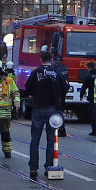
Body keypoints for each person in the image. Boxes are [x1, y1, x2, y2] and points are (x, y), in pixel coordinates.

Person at [24, 50, 67, 180]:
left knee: (35, 139)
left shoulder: (36, 72)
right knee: (51, 140)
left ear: (40, 59)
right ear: (51, 59)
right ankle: (49, 166)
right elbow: (65, 88)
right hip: (52, 109)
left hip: (38, 108)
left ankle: (33, 167)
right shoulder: (57, 72)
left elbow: (28, 87)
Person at [79, 62, 96, 135]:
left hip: (92, 97)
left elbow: (84, 86)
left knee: (93, 115)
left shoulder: (88, 76)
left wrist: (81, 95)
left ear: (89, 67)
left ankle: (95, 130)